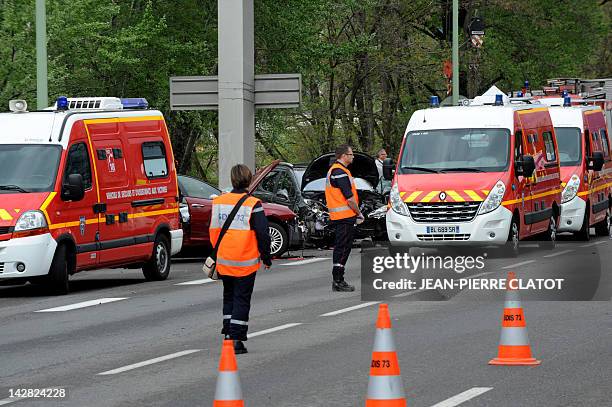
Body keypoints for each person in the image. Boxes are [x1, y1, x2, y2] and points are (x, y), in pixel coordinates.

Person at [210, 164, 272, 354]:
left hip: (224, 258)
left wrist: (219, 251)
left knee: (228, 296)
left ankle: (228, 333)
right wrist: (266, 257)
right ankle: (236, 339)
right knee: (242, 299)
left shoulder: (219, 202)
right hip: (245, 260)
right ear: (249, 180)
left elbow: (213, 230)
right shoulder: (253, 204)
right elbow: (262, 233)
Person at [325, 144, 364, 292]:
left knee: (342, 247)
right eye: (351, 154)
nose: (353, 156)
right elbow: (349, 198)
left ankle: (338, 279)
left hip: (341, 216)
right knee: (343, 248)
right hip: (345, 216)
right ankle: (338, 280)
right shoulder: (339, 171)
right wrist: (359, 213)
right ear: (343, 156)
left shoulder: (338, 170)